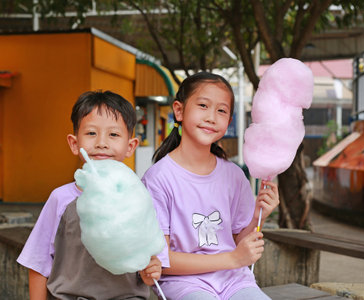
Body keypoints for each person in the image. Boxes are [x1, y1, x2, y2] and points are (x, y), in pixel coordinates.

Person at [142, 72, 279, 300]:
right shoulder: (158, 178)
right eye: (203, 105)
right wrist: (233, 259)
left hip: (235, 280)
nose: (211, 117)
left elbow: (239, 243)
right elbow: (161, 262)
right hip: (183, 284)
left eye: (221, 110)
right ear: (179, 111)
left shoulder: (235, 175)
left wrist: (259, 215)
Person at [17, 90, 161, 300]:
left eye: (113, 135)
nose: (101, 143)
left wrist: (151, 272)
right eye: (92, 133)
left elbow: (150, 264)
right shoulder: (61, 198)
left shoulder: (141, 198)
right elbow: (38, 262)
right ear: (74, 143)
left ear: (131, 146)